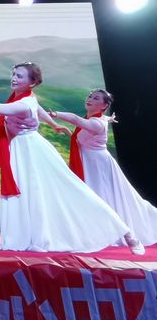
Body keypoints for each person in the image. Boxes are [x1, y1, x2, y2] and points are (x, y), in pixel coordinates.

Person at [0, 62, 144, 254]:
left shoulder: (24, 103)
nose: (14, 78)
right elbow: (39, 108)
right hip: (21, 149)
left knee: (70, 190)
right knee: (30, 195)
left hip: (31, 150)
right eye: (13, 74)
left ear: (32, 82)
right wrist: (53, 124)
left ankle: (126, 233)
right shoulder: (26, 97)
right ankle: (34, 235)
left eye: (20, 76)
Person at [51, 89, 157, 245]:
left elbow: (75, 119)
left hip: (98, 165)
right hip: (90, 162)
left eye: (96, 98)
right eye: (90, 96)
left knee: (100, 196)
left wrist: (55, 114)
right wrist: (109, 119)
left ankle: (110, 232)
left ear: (104, 105)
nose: (90, 99)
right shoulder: (98, 118)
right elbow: (100, 121)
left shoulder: (96, 123)